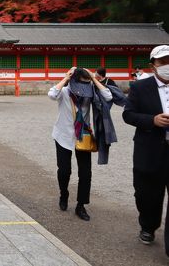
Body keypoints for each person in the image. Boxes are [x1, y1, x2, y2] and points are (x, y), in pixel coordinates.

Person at [48, 67, 113, 221]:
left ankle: (81, 205)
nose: (83, 89)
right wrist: (66, 77)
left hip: (83, 136)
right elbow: (51, 94)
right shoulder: (64, 93)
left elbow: (108, 96)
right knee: (64, 171)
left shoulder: (91, 93)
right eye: (81, 85)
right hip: (63, 136)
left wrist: (93, 78)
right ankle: (64, 194)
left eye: (86, 85)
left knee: (85, 173)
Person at [122, 45, 169, 252]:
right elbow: (128, 114)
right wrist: (152, 120)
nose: (168, 65)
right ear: (153, 65)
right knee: (147, 193)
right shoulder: (140, 88)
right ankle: (148, 226)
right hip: (149, 149)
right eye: (163, 62)